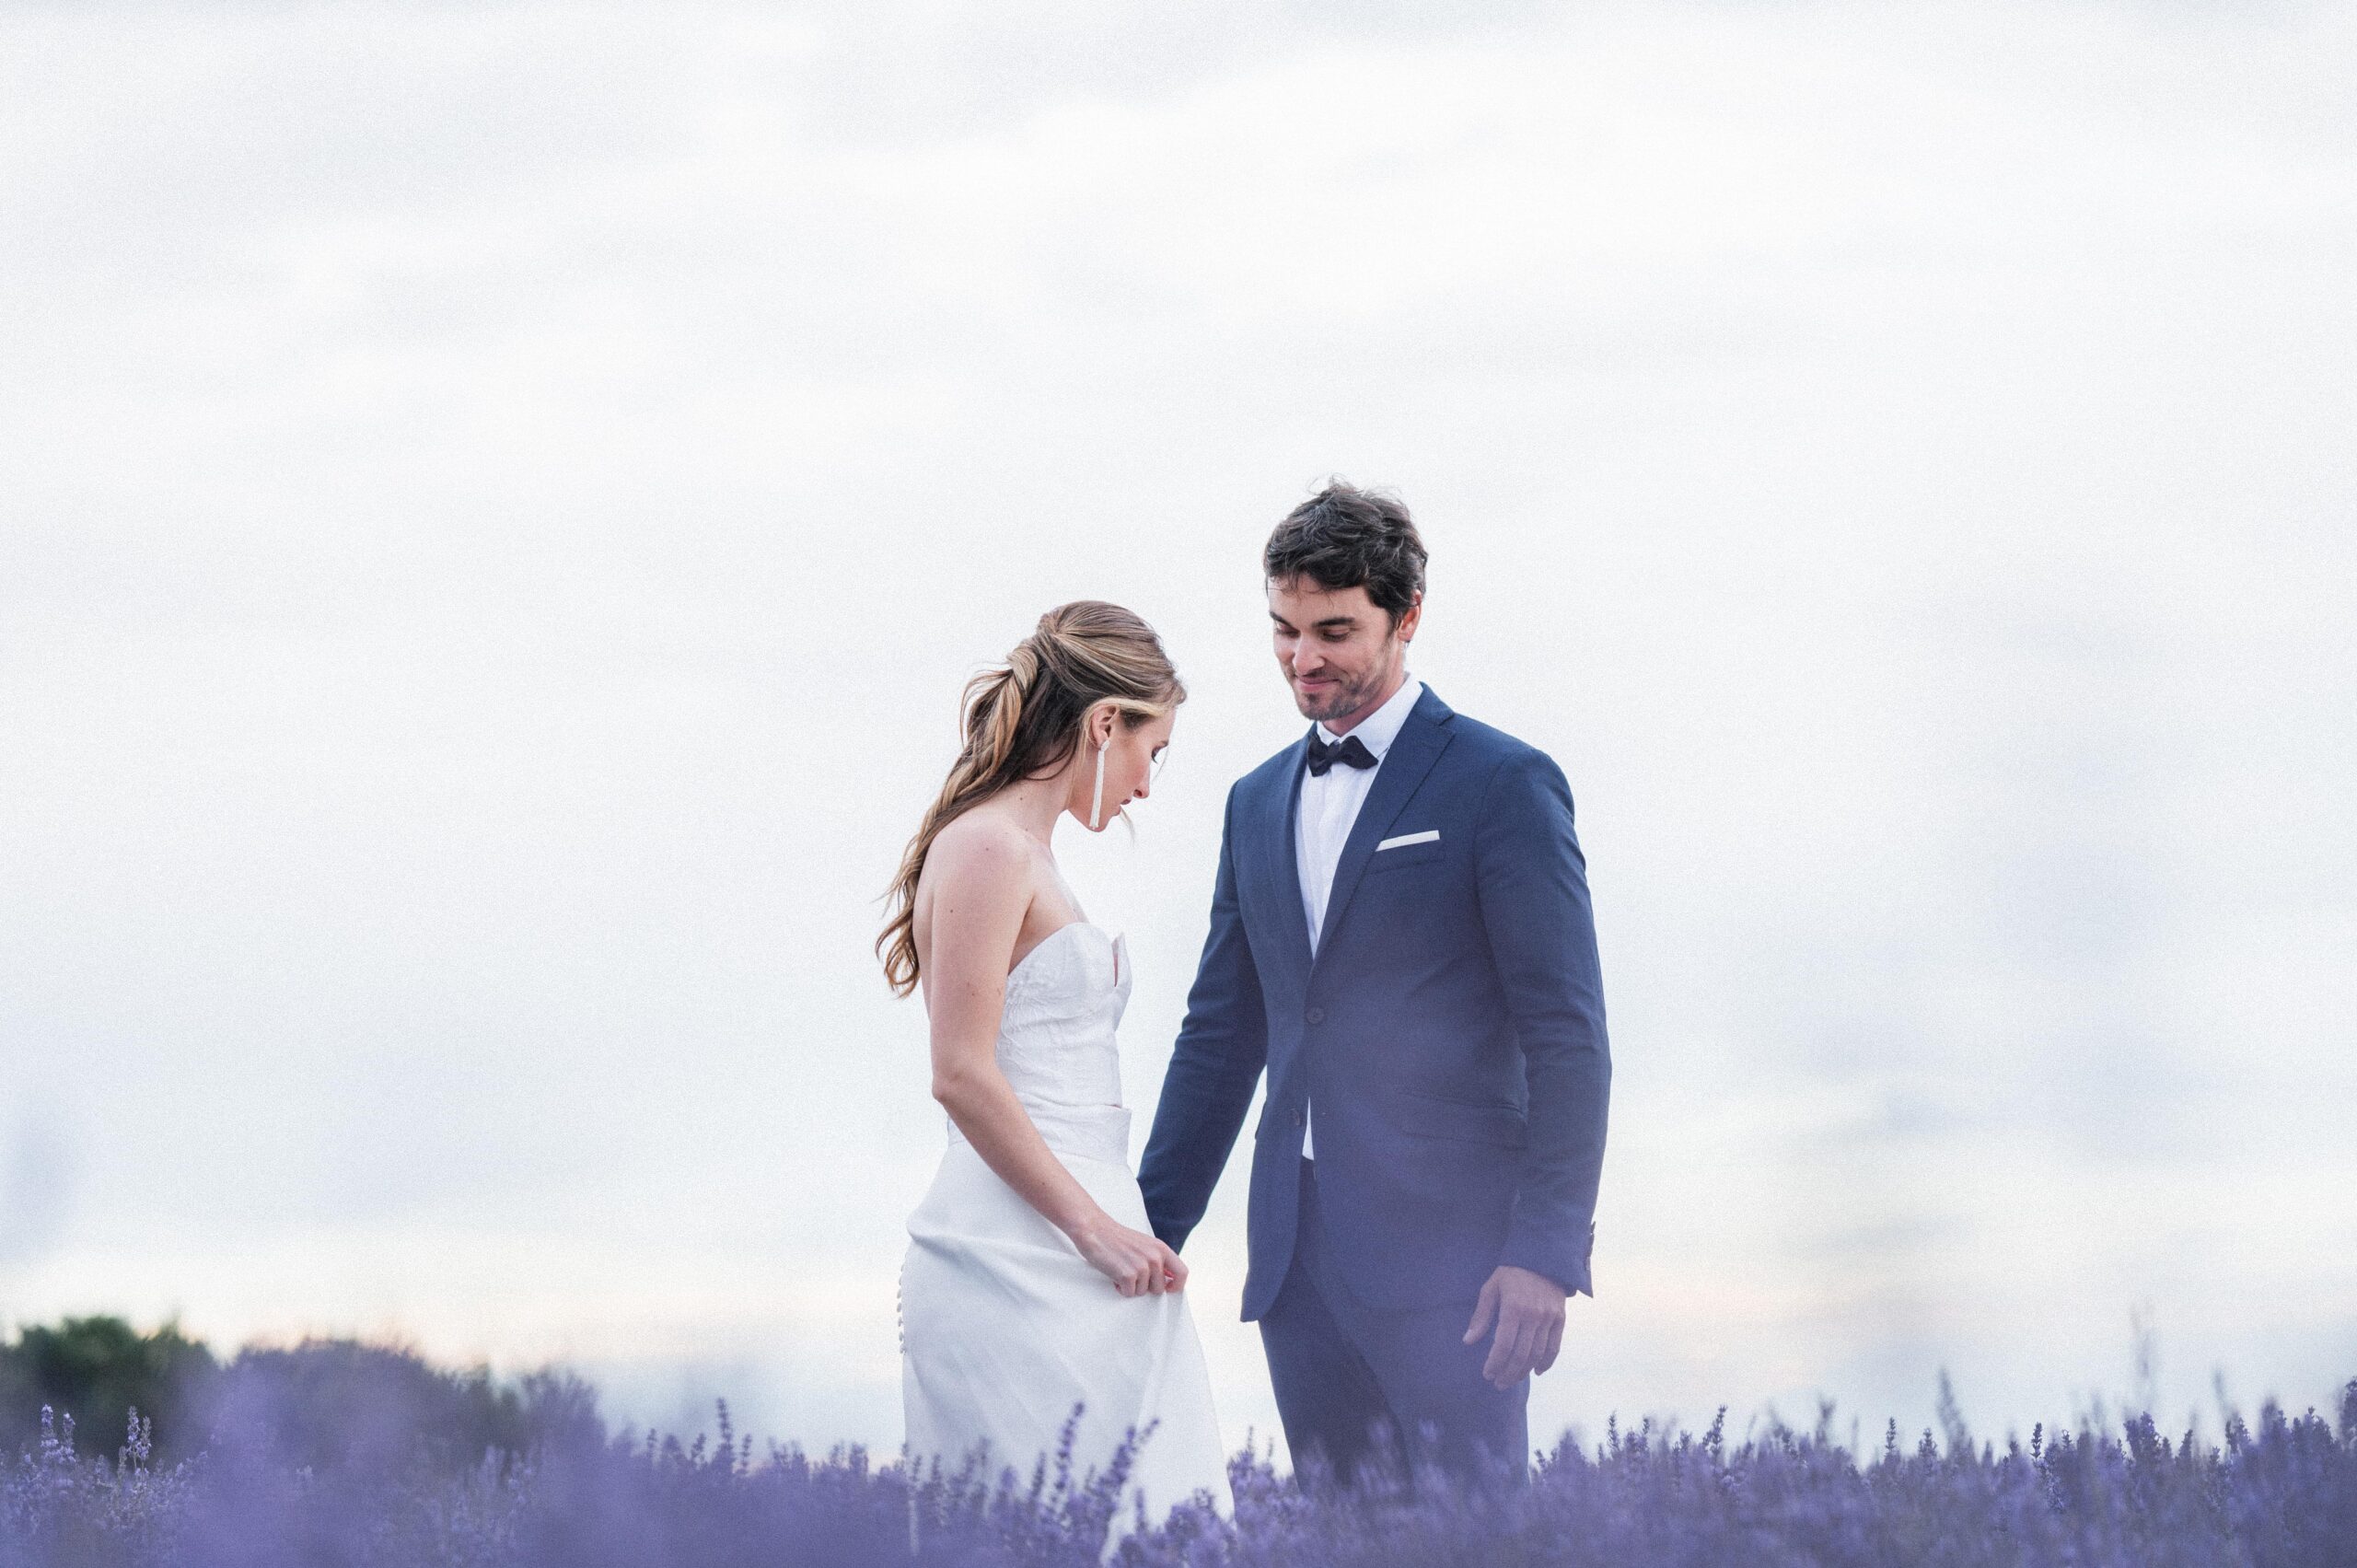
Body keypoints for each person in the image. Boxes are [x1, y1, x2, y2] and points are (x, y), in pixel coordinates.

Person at [1138, 482, 1611, 1491]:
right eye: (1284, 629)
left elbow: (1566, 1031)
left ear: (1408, 616)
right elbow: (1222, 1033)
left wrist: (1545, 1247)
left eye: (1334, 630)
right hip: (1294, 1264)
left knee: (1475, 1549)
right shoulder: (1253, 800)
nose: (1302, 658)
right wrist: (1150, 1227)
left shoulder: (1501, 783)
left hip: (1460, 1266)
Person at [885, 600, 1233, 1545]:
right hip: (1019, 1252)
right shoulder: (989, 846)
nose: (1148, 786)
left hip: (1096, 1248)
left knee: (1161, 1516)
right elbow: (959, 1070)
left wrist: (1115, 1231)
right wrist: (1093, 1229)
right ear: (1102, 722)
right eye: (1151, 751)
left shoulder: (1030, 854)